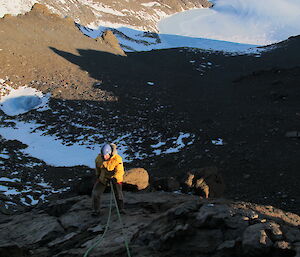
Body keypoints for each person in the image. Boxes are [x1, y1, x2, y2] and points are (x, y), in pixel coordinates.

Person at [92, 143, 125, 216]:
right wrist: (98, 176)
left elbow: (120, 171)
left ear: (110, 153)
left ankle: (121, 209)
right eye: (103, 155)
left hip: (115, 179)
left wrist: (114, 178)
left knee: (118, 194)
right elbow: (98, 169)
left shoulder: (117, 159)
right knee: (95, 194)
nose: (104, 157)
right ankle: (96, 210)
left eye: (106, 155)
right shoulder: (98, 159)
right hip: (103, 178)